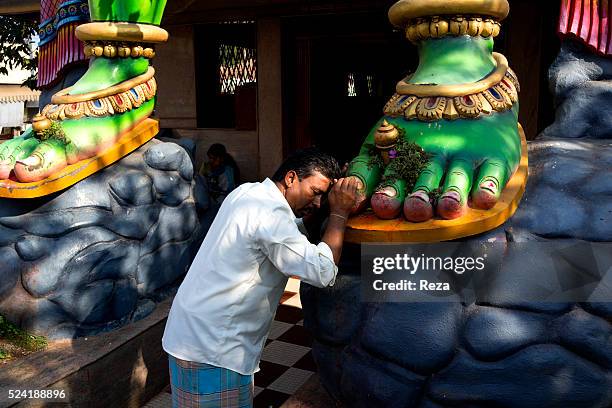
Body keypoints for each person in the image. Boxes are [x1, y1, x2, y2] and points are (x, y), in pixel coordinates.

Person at [162, 148, 358, 408]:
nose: (318, 203)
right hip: (214, 347)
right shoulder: (270, 215)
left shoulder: (249, 192)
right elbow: (322, 271)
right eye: (316, 192)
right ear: (291, 178)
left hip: (196, 335)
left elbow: (293, 236)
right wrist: (339, 213)